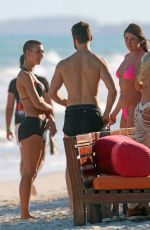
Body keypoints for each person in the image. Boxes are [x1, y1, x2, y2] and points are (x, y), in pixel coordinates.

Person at [49, 21, 117, 208]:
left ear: (74, 39)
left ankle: (74, 205)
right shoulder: (98, 61)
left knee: (71, 162)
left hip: (72, 114)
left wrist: (67, 103)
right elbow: (112, 91)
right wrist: (107, 113)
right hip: (92, 114)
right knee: (97, 160)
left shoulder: (64, 64)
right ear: (91, 38)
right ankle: (99, 204)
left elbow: (51, 93)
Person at [16, 40, 57, 220]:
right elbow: (36, 103)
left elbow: (42, 104)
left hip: (38, 126)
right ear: (27, 53)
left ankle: (26, 211)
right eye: (38, 52)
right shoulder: (24, 76)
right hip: (31, 125)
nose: (42, 55)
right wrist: (51, 110)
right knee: (28, 172)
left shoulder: (33, 75)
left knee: (33, 172)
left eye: (43, 52)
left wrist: (50, 118)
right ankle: (24, 213)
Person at [5, 55, 56, 196]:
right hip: (31, 122)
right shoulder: (38, 81)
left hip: (24, 123)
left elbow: (10, 107)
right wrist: (51, 117)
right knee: (37, 158)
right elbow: (47, 104)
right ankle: (28, 184)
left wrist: (8, 127)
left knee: (28, 159)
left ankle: (28, 182)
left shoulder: (18, 82)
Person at [110, 23, 148, 128]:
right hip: (124, 109)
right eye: (126, 38)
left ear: (140, 40)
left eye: (132, 39)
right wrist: (114, 113)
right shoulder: (127, 57)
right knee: (124, 143)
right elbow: (123, 92)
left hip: (136, 110)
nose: (128, 42)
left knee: (134, 144)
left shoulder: (144, 59)